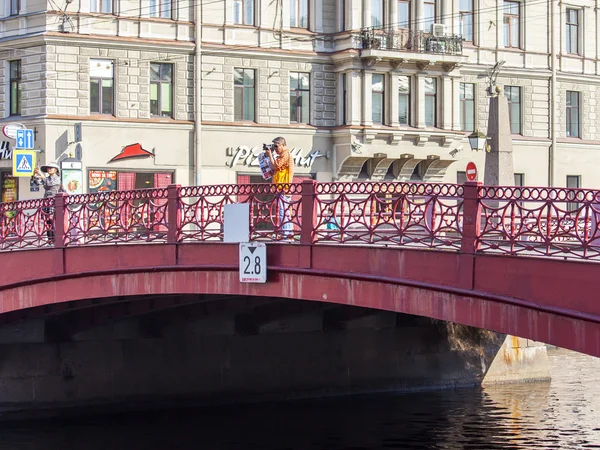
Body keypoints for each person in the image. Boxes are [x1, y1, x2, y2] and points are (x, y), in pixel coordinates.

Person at [264, 137, 294, 239]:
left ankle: (286, 235)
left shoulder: (286, 154)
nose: (275, 149)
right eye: (274, 146)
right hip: (280, 187)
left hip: (283, 187)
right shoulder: (281, 155)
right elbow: (275, 169)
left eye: (276, 146)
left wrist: (270, 156)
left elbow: (275, 166)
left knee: (283, 212)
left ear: (283, 145)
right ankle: (287, 234)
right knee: (284, 212)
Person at [32, 162, 61, 244]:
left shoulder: (57, 178)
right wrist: (34, 175)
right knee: (47, 220)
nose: (49, 169)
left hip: (54, 200)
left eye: (50, 168)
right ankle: (50, 238)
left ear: (55, 170)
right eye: (48, 168)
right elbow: (38, 182)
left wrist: (41, 175)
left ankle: (55, 238)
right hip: (46, 201)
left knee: (53, 219)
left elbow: (50, 183)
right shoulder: (47, 178)